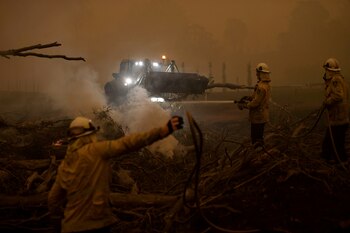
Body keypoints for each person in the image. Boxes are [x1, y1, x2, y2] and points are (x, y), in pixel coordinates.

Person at [48, 115, 184, 233]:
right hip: (96, 225)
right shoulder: (96, 150)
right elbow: (128, 143)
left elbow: (53, 200)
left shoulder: (65, 164)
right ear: (89, 135)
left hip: (70, 227)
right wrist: (163, 131)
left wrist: (65, 219)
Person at [321, 57, 349, 163]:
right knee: (337, 142)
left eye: (326, 70)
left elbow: (338, 96)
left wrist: (327, 102)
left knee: (331, 142)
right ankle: (339, 161)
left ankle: (334, 162)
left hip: (338, 119)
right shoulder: (340, 79)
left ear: (329, 70)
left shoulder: (335, 80)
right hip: (341, 118)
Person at [237, 62, 271, 148]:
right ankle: (260, 154)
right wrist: (247, 97)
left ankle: (258, 156)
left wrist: (244, 106)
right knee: (258, 138)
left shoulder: (261, 87)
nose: (256, 74)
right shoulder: (265, 85)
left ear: (261, 73)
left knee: (256, 139)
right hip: (261, 116)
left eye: (257, 73)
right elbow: (255, 97)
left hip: (258, 116)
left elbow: (256, 102)